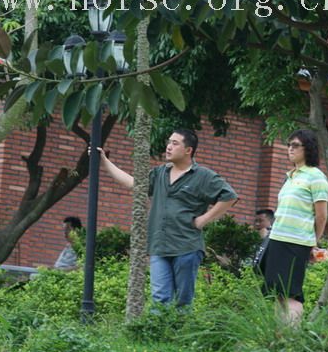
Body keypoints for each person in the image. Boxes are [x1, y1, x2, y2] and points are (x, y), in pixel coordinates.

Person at [97, 129, 237, 307]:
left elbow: (230, 196)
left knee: (183, 302)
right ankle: (158, 334)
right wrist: (105, 161)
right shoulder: (160, 173)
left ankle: (179, 333)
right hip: (159, 247)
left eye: (175, 143)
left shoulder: (203, 176)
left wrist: (204, 219)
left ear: (189, 150)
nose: (168, 147)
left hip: (186, 247)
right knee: (160, 299)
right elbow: (133, 184)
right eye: (169, 142)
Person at [264, 129, 328, 324]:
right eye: (289, 145)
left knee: (292, 292)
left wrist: (313, 242)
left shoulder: (316, 176)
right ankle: (279, 336)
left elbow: (321, 215)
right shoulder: (290, 176)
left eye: (295, 145)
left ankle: (293, 338)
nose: (290, 149)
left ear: (307, 148)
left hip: (297, 242)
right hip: (277, 239)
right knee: (277, 291)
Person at [251, 209, 274, 275]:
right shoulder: (253, 234)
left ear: (270, 221)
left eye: (261, 221)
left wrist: (265, 238)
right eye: (256, 221)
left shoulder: (273, 236)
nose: (257, 224)